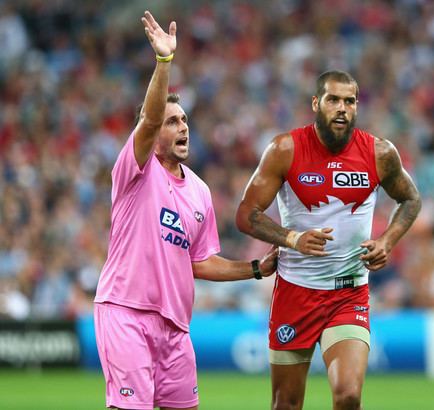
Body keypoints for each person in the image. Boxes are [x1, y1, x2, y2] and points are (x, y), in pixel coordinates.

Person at [93, 11, 277, 410]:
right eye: (173, 121)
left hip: (176, 327)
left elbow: (202, 262)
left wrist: (257, 269)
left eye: (186, 121)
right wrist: (164, 62)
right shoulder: (135, 170)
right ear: (156, 130)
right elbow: (148, 117)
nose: (183, 127)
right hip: (126, 313)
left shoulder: (199, 191)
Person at [236, 70, 422, 410]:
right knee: (286, 404)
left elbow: (410, 199)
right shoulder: (284, 149)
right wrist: (293, 238)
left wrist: (388, 240)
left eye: (349, 101)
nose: (342, 108)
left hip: (349, 294)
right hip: (296, 291)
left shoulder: (379, 153)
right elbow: (246, 214)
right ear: (315, 103)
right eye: (333, 100)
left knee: (348, 395)